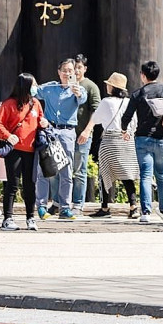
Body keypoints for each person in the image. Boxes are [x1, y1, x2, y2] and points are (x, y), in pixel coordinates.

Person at [122, 60, 163, 224]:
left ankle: (145, 212)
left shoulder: (138, 93)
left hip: (143, 138)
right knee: (162, 175)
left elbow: (127, 116)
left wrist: (124, 130)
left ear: (143, 75)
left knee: (145, 175)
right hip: (162, 138)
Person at [33, 58, 88, 220]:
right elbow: (34, 91)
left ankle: (65, 207)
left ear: (75, 73)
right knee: (43, 169)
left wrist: (77, 92)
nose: (67, 73)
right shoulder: (50, 87)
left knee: (66, 170)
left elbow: (82, 99)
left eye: (71, 71)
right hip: (49, 131)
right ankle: (41, 206)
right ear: (59, 72)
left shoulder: (78, 89)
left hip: (67, 132)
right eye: (64, 70)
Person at [0, 73, 47, 231]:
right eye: (34, 84)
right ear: (26, 86)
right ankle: (7, 218)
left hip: (31, 150)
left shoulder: (35, 103)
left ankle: (31, 217)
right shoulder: (9, 104)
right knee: (12, 184)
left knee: (30, 184)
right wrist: (9, 136)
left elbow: (41, 121)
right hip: (14, 150)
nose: (36, 87)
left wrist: (44, 123)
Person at [81, 72, 139, 219]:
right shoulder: (128, 102)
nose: (107, 86)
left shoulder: (106, 102)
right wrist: (128, 133)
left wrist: (87, 131)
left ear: (113, 87)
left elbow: (96, 118)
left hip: (110, 141)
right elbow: (135, 122)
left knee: (105, 174)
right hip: (127, 140)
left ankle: (105, 207)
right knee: (127, 174)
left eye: (109, 84)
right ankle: (133, 207)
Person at [70, 54, 101, 214]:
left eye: (79, 67)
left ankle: (78, 203)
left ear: (85, 69)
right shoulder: (67, 85)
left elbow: (96, 110)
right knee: (64, 169)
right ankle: (61, 202)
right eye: (74, 67)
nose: (76, 71)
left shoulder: (91, 86)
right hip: (67, 133)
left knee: (80, 170)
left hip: (83, 133)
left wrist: (88, 130)